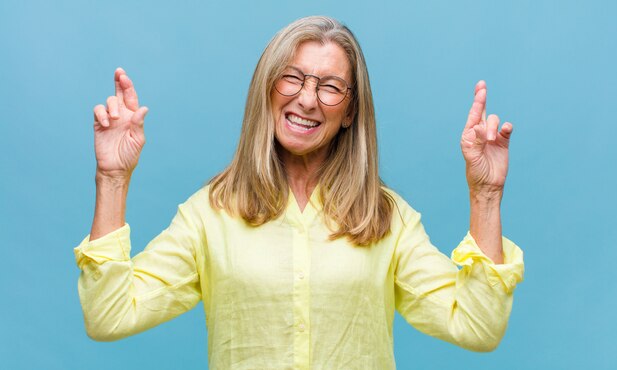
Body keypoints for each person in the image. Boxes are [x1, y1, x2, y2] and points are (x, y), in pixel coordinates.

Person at [75, 16, 524, 369]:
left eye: (330, 87)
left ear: (350, 112)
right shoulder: (209, 214)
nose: (308, 100)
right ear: (266, 89)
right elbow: (109, 315)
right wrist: (112, 178)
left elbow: (478, 326)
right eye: (292, 78)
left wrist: (486, 193)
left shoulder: (388, 219)